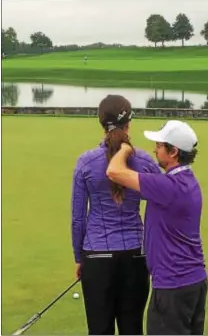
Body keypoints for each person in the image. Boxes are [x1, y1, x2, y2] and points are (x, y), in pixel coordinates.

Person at [106, 120, 208, 335]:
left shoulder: (167, 187)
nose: (155, 149)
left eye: (160, 146)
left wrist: (124, 149)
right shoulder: (188, 182)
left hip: (173, 287)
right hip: (195, 282)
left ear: (173, 152)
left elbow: (114, 172)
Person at [71, 95, 161, 335]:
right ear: (129, 123)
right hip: (134, 256)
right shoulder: (143, 161)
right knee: (132, 329)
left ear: (101, 123)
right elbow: (161, 202)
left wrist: (79, 257)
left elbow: (78, 218)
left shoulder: (86, 162)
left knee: (100, 331)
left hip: (96, 257)